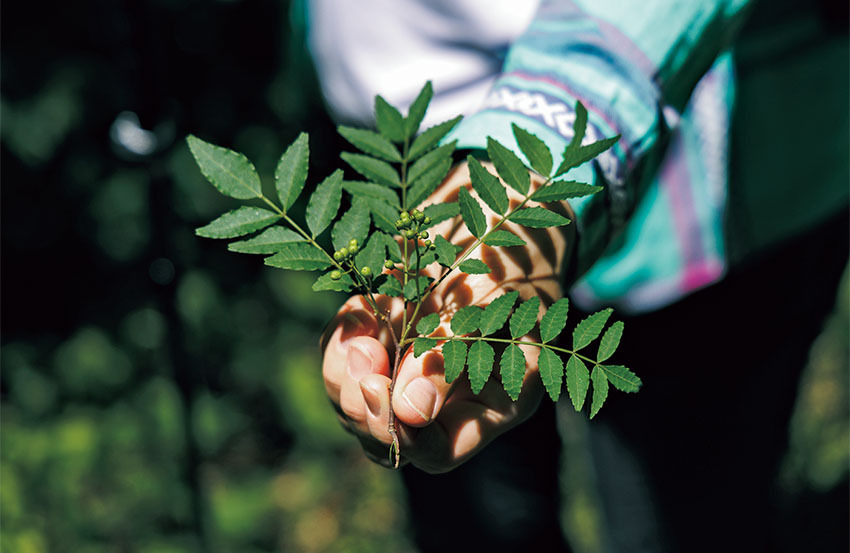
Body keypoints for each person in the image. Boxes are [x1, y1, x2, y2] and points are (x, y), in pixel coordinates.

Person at [309, 0, 849, 551]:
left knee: (687, 514)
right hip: (401, 135)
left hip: (712, 185)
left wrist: (521, 185)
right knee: (472, 502)